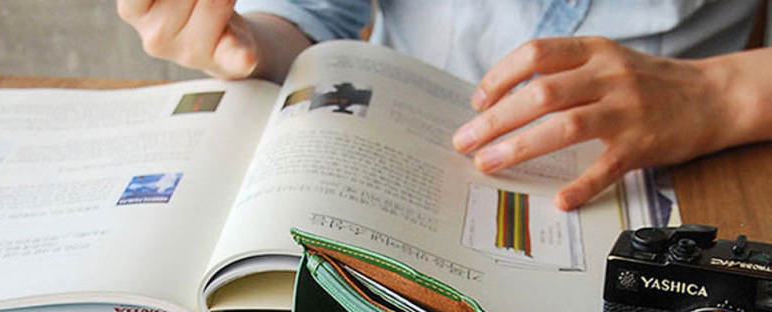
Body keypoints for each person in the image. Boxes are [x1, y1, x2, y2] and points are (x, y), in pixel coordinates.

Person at [116, 0, 772, 209]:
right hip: (387, 164)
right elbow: (313, 17)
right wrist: (241, 40)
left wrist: (716, 93)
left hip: (674, 179)